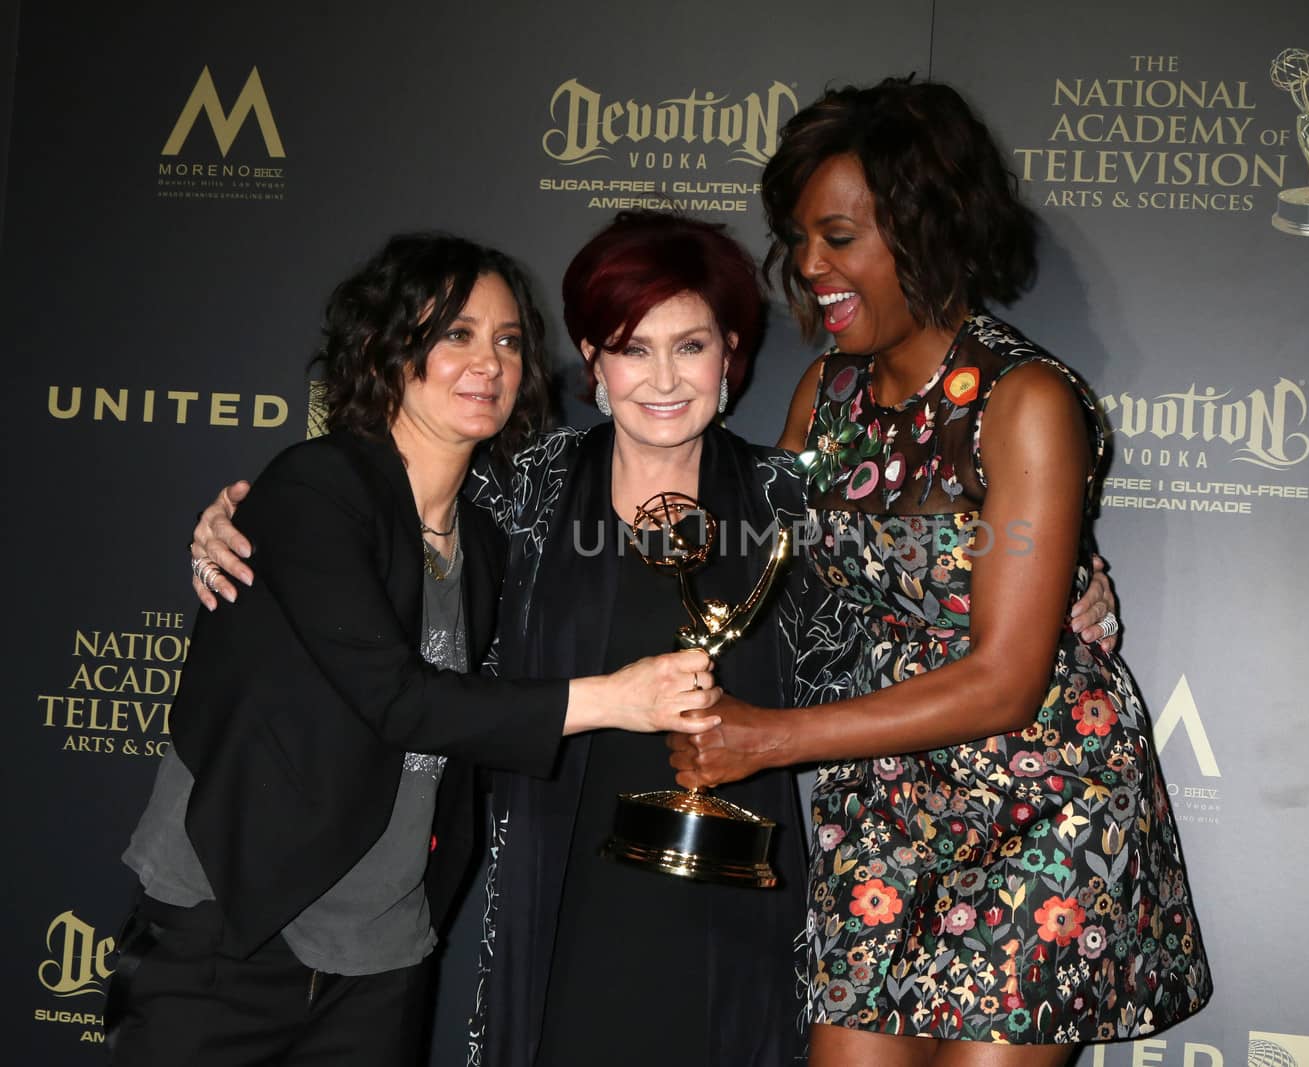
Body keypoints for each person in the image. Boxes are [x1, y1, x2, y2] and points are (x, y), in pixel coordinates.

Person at [187, 216, 1122, 1066]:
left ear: (732, 359)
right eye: (633, 349)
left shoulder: (795, 500)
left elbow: (925, 599)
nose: (664, 380)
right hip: (558, 898)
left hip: (739, 903)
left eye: (691, 346)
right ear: (593, 361)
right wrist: (237, 514)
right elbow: (384, 515)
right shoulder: (524, 486)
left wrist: (1078, 586)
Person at [666, 78, 1212, 1067]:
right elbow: (760, 580)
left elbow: (1006, 681)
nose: (809, 267)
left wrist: (772, 739)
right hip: (873, 805)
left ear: (929, 231)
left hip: (1036, 809)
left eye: (838, 237)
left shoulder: (1023, 398)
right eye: (799, 238)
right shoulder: (824, 392)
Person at [111, 233, 720, 1067]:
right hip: (231, 928)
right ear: (389, 348)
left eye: (508, 340)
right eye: (455, 334)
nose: (489, 361)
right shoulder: (319, 486)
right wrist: (619, 697)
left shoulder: (485, 537)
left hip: (381, 957)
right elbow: (398, 698)